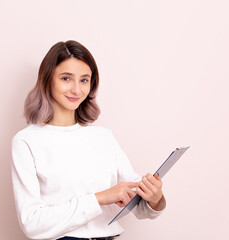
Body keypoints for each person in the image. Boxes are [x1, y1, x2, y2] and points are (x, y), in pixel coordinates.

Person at [11, 40, 166, 240]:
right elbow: (31, 223)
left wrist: (155, 198)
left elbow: (140, 207)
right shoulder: (26, 142)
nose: (76, 90)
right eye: (66, 78)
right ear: (48, 80)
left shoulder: (103, 137)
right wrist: (100, 198)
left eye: (84, 80)